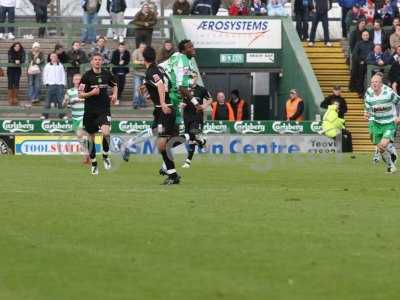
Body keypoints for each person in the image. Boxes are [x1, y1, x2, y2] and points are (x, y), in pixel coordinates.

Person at [143, 46, 181, 184]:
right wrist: (150, 95)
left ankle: (173, 175)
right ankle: (172, 174)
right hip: (161, 111)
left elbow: (159, 85)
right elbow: (167, 85)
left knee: (162, 143)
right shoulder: (160, 69)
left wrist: (163, 102)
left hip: (164, 111)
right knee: (162, 142)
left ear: (143, 59)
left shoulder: (151, 71)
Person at [79, 53, 118, 175]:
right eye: (95, 60)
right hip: (90, 111)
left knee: (106, 132)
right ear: (91, 62)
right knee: (91, 138)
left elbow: (115, 85)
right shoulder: (86, 76)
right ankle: (94, 163)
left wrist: (115, 94)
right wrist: (91, 93)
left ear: (102, 62)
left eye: (99, 60)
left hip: (104, 109)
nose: (97, 61)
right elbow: (80, 94)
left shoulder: (107, 74)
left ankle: (105, 156)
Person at [364, 73, 400, 173]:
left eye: (376, 82)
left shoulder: (388, 93)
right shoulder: (369, 92)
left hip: (389, 123)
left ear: (381, 84)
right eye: (372, 82)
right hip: (375, 122)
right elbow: (367, 104)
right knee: (380, 147)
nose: (374, 84)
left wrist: (399, 116)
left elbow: (399, 102)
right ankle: (391, 165)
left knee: (383, 144)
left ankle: (391, 154)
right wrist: (366, 113)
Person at [182, 71, 212, 169]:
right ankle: (202, 142)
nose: (191, 78)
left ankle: (188, 162)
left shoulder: (202, 89)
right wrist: (182, 104)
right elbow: (180, 100)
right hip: (187, 116)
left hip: (197, 116)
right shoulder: (184, 89)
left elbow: (210, 99)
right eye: (189, 76)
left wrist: (204, 105)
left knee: (193, 135)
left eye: (193, 76)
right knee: (190, 138)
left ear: (196, 77)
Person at [63, 73, 90, 164]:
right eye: (76, 79)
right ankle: (87, 156)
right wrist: (66, 101)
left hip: (86, 116)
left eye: (79, 79)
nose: (77, 81)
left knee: (81, 135)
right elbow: (64, 104)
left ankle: (88, 156)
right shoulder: (69, 91)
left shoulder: (86, 90)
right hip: (75, 117)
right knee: (80, 137)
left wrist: (80, 100)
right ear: (73, 81)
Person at [42, 52, 66, 119]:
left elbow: (63, 75)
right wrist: (46, 83)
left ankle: (62, 115)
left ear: (57, 57)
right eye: (52, 56)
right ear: (50, 57)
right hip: (50, 85)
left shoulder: (60, 65)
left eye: (55, 56)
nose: (54, 57)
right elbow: (45, 75)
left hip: (59, 85)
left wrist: (63, 83)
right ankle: (45, 115)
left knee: (61, 101)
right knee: (47, 101)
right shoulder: (47, 65)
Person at [349, 30, 374, 95]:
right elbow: (355, 54)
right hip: (360, 63)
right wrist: (360, 61)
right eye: (364, 35)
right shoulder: (358, 43)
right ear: (362, 36)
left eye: (367, 35)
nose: (366, 36)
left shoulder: (372, 44)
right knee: (360, 75)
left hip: (369, 62)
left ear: (369, 36)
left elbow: (373, 54)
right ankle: (360, 91)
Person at [27, 42, 45, 106]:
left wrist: (39, 61)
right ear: (33, 47)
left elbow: (43, 60)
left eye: (38, 47)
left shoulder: (41, 53)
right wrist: (36, 60)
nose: (36, 48)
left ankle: (36, 97)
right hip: (30, 70)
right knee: (31, 83)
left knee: (37, 84)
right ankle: (32, 97)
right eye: (35, 47)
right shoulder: (30, 53)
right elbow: (29, 60)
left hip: (38, 70)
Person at [132, 42, 147, 109]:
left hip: (145, 74)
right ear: (139, 47)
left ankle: (142, 102)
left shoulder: (147, 52)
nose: (143, 49)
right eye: (141, 47)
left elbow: (148, 62)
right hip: (137, 73)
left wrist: (141, 63)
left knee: (143, 89)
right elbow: (134, 63)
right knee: (137, 88)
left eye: (144, 47)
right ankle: (135, 103)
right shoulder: (136, 52)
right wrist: (142, 63)